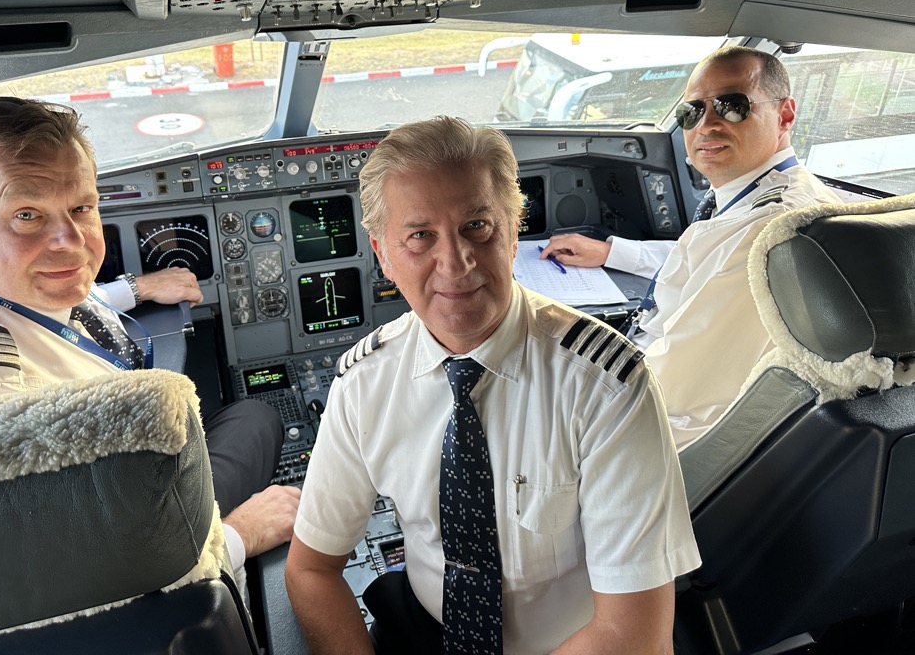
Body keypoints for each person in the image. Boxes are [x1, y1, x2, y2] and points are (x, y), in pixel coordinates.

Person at [285, 116, 699, 655]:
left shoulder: (607, 387)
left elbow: (632, 639)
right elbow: (312, 568)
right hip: (425, 627)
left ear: (514, 224)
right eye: (419, 236)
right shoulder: (363, 383)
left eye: (477, 226)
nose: (455, 264)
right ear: (383, 253)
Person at [0, 96, 300, 573]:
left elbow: (55, 306)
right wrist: (241, 535)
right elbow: (87, 572)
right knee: (258, 419)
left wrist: (133, 289)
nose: (71, 243)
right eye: (27, 214)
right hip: (130, 543)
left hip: (113, 475)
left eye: (81, 207)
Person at [540, 46, 841, 448]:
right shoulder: (764, 200)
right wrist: (612, 253)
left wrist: (547, 328)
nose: (708, 125)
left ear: (785, 114)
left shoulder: (767, 232)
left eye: (731, 105)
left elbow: (668, 381)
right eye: (692, 112)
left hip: (667, 432)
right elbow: (707, 261)